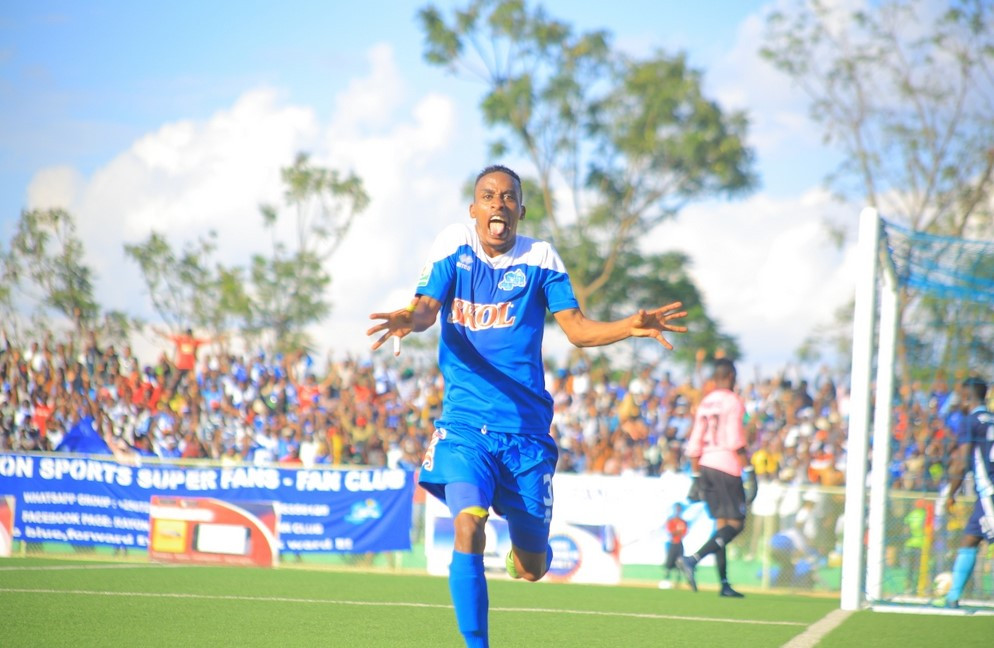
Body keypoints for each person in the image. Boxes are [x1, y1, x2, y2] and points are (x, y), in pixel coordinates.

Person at [367, 164, 687, 647]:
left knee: (534, 567)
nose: (499, 203)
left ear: (521, 209)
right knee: (468, 524)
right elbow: (428, 309)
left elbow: (577, 330)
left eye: (509, 197)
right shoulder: (454, 245)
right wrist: (408, 317)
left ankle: (526, 554)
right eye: (488, 196)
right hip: (465, 426)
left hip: (527, 435)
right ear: (474, 210)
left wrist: (628, 325)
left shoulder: (540, 257)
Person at [678, 357, 757, 598]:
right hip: (726, 465)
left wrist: (695, 474)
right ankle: (693, 559)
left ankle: (723, 582)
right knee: (736, 524)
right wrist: (751, 472)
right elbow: (735, 439)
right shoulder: (733, 401)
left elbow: (695, 439)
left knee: (722, 525)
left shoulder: (706, 402)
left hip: (705, 465)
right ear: (731, 377)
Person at [942, 375, 993, 608]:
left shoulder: (969, 422)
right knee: (970, 538)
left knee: (973, 538)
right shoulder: (991, 420)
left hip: (989, 491)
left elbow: (962, 462)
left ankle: (953, 597)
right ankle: (952, 597)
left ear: (966, 396)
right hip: (985, 495)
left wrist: (950, 492)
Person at [659, 501, 688, 588]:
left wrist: (678, 532)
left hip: (679, 544)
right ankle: (666, 580)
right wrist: (677, 532)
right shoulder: (671, 521)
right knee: (669, 563)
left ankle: (677, 583)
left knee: (679, 563)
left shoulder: (683, 522)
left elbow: (683, 532)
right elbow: (671, 532)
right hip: (673, 544)